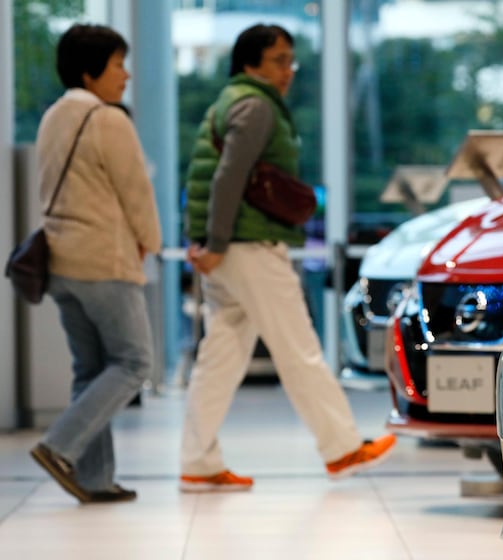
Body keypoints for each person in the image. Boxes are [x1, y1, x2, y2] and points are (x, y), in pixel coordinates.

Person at [180, 23, 396, 492]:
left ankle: (197, 462)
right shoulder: (255, 105)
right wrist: (215, 244)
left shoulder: (230, 100)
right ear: (249, 63)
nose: (288, 71)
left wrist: (204, 241)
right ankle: (341, 447)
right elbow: (227, 178)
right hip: (248, 245)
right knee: (299, 346)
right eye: (278, 60)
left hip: (229, 247)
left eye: (290, 61)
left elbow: (211, 177)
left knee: (219, 356)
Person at [28, 24, 162, 504]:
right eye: (118, 65)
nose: (125, 75)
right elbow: (136, 192)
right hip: (105, 259)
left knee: (91, 370)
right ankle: (59, 445)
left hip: (62, 260)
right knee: (133, 362)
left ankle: (94, 478)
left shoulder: (52, 117)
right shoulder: (108, 120)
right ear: (91, 71)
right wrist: (152, 241)